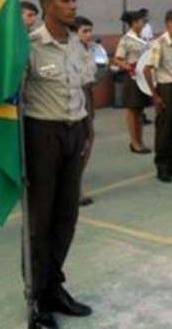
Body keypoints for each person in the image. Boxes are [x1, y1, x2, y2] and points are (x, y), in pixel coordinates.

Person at [22, 0, 93, 328]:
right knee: (40, 220)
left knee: (66, 216)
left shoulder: (77, 46)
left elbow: (85, 90)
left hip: (73, 132)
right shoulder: (30, 46)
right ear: (48, 5)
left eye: (74, 1)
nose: (73, 7)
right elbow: (12, 102)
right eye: (67, 1)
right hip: (42, 135)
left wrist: (88, 130)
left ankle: (54, 286)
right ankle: (36, 297)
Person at [143, 10, 172, 183]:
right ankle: (161, 167)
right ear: (168, 23)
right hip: (165, 89)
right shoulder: (159, 43)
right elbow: (147, 69)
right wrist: (155, 95)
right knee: (163, 130)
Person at [114, 9, 152, 153]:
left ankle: (140, 141)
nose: (143, 24)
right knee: (132, 110)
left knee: (140, 110)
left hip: (143, 79)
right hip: (132, 78)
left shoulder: (142, 39)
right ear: (135, 23)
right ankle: (134, 143)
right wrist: (128, 67)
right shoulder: (126, 39)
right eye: (142, 21)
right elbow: (117, 59)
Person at [72, 16, 96, 207]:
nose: (89, 35)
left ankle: (75, 184)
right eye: (84, 31)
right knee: (80, 143)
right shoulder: (72, 49)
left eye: (90, 30)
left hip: (87, 93)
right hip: (76, 95)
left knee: (88, 139)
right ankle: (74, 189)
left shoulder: (90, 49)